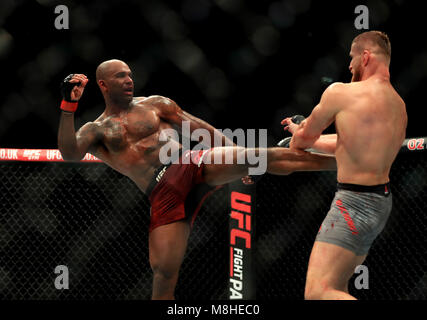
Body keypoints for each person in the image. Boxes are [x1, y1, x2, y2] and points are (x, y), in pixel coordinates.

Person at [58, 59, 336, 299]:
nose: (129, 79)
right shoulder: (95, 129)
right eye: (120, 76)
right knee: (164, 275)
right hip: (161, 191)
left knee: (259, 157)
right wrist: (68, 106)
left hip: (186, 164)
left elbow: (203, 129)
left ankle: (338, 162)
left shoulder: (155, 105)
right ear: (103, 84)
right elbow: (70, 153)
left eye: (130, 74)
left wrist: (237, 157)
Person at [282, 31, 407, 300]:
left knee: (318, 293)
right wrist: (308, 137)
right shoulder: (399, 106)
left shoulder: (341, 92)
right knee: (337, 289)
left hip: (352, 202)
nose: (349, 65)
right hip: (380, 203)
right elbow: (350, 145)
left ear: (365, 56)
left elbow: (302, 141)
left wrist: (299, 132)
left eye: (351, 58)